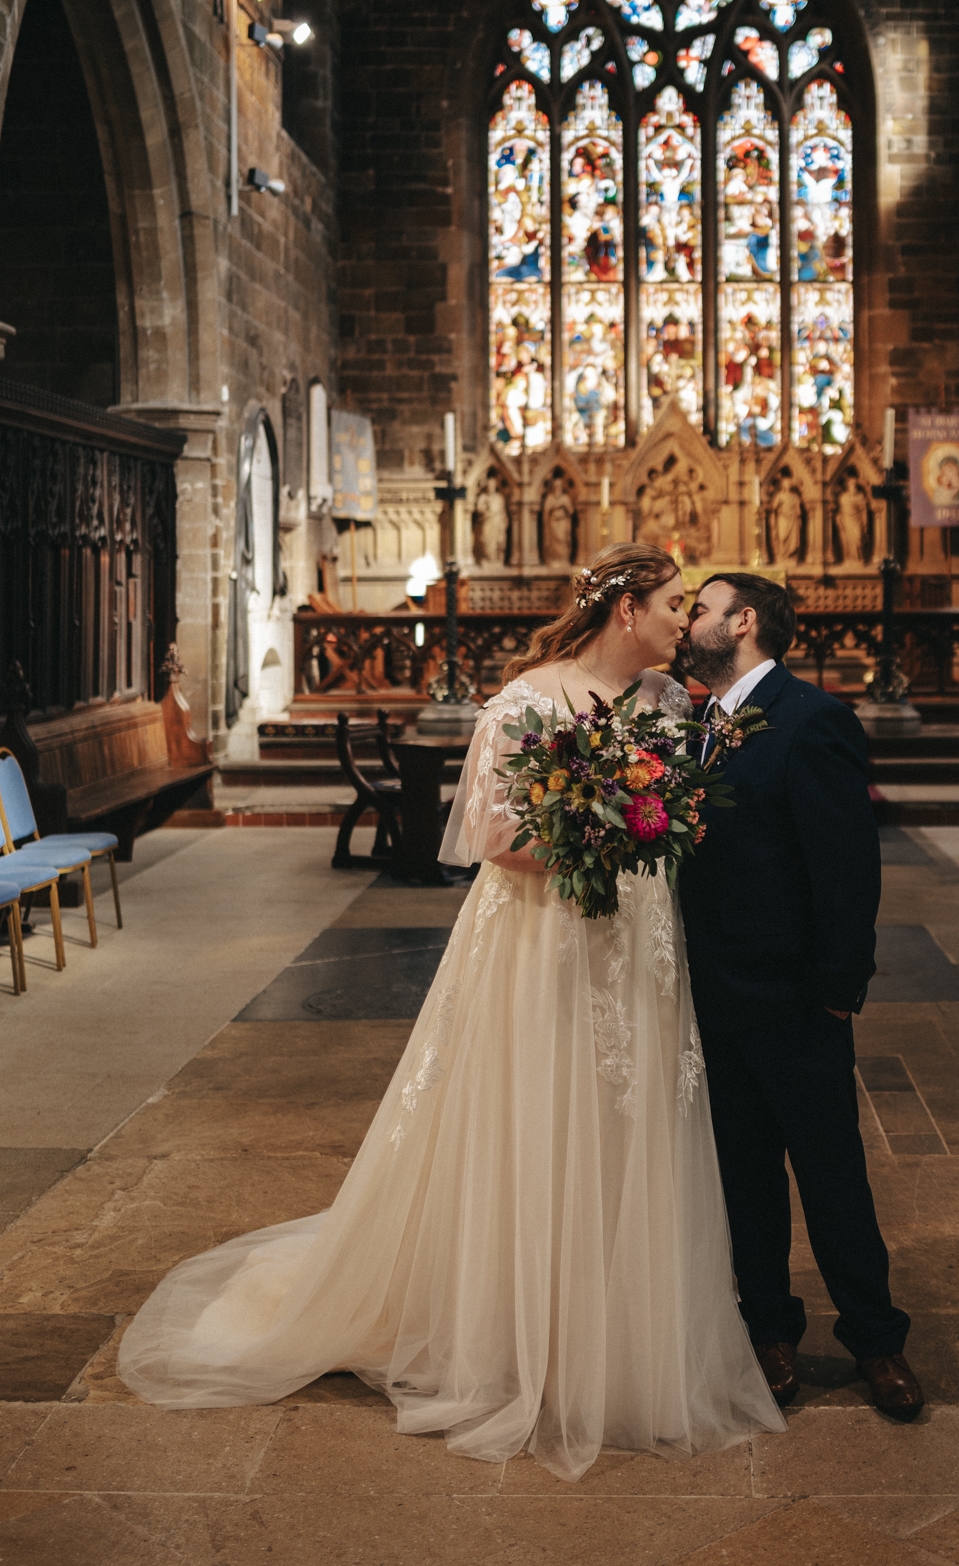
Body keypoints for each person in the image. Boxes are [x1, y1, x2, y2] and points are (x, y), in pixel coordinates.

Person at [118, 545, 782, 1481]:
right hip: (542, 940)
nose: (686, 620)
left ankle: (622, 1328)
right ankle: (516, 1335)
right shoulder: (525, 702)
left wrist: (656, 818)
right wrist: (603, 821)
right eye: (674, 604)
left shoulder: (672, 707)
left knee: (632, 1122)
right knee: (538, 1112)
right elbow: (490, 834)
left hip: (640, 943)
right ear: (627, 611)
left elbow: (693, 817)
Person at [677, 572, 922, 1422]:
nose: (688, 621)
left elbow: (846, 868)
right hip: (713, 992)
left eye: (700, 609)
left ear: (743, 622)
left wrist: (834, 990)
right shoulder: (693, 723)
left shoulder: (813, 718)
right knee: (743, 1175)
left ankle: (876, 1340)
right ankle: (770, 1329)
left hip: (791, 996)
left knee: (830, 1175)